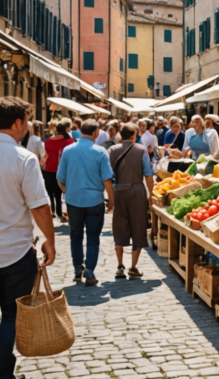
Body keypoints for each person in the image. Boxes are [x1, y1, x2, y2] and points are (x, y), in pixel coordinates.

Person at [0, 97, 56, 379]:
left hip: (13, 250)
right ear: (18, 122)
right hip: (14, 252)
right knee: (10, 314)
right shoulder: (23, 158)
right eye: (27, 121)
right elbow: (40, 207)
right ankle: (2, 376)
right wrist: (50, 239)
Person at [57, 118, 114, 287]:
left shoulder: (68, 150)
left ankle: (76, 268)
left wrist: (68, 192)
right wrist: (111, 201)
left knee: (75, 236)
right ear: (96, 133)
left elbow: (60, 178)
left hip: (74, 201)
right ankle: (89, 271)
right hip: (94, 201)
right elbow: (107, 181)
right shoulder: (100, 152)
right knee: (93, 237)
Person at [108, 124, 154, 279]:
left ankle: (120, 265)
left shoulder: (112, 150)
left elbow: (108, 175)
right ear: (134, 135)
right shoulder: (141, 150)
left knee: (119, 227)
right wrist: (151, 193)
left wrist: (113, 192)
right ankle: (133, 267)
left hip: (119, 192)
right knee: (138, 227)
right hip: (137, 192)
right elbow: (148, 173)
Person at [43, 121, 74, 222]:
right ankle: (60, 212)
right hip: (64, 170)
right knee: (60, 192)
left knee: (49, 191)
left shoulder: (48, 141)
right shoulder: (70, 141)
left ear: (56, 130)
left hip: (50, 169)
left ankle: (52, 211)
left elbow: (46, 154)